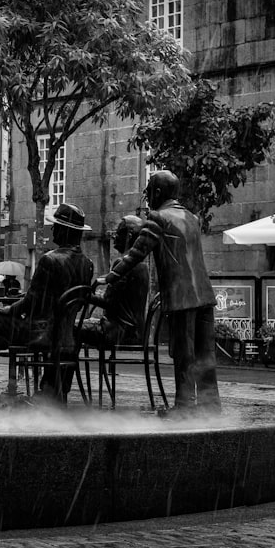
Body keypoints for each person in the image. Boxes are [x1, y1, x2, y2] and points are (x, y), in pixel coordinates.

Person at [96, 170, 221, 414]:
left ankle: (184, 408)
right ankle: (210, 408)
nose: (147, 196)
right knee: (206, 355)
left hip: (182, 297)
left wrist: (110, 276)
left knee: (184, 354)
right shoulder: (192, 217)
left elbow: (136, 253)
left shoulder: (158, 218)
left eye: (149, 191)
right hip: (205, 295)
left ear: (158, 192)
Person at [0, 203, 94, 404]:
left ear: (64, 230)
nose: (52, 229)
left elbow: (30, 302)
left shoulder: (50, 260)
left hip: (41, 332)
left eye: (55, 226)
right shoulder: (88, 264)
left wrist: (6, 311)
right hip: (66, 333)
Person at [78, 215, 150, 350]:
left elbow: (109, 303)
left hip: (116, 332)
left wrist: (85, 294)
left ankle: (64, 367)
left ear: (129, 236)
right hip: (137, 333)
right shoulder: (143, 266)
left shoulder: (123, 264)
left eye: (118, 232)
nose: (113, 237)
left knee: (69, 327)